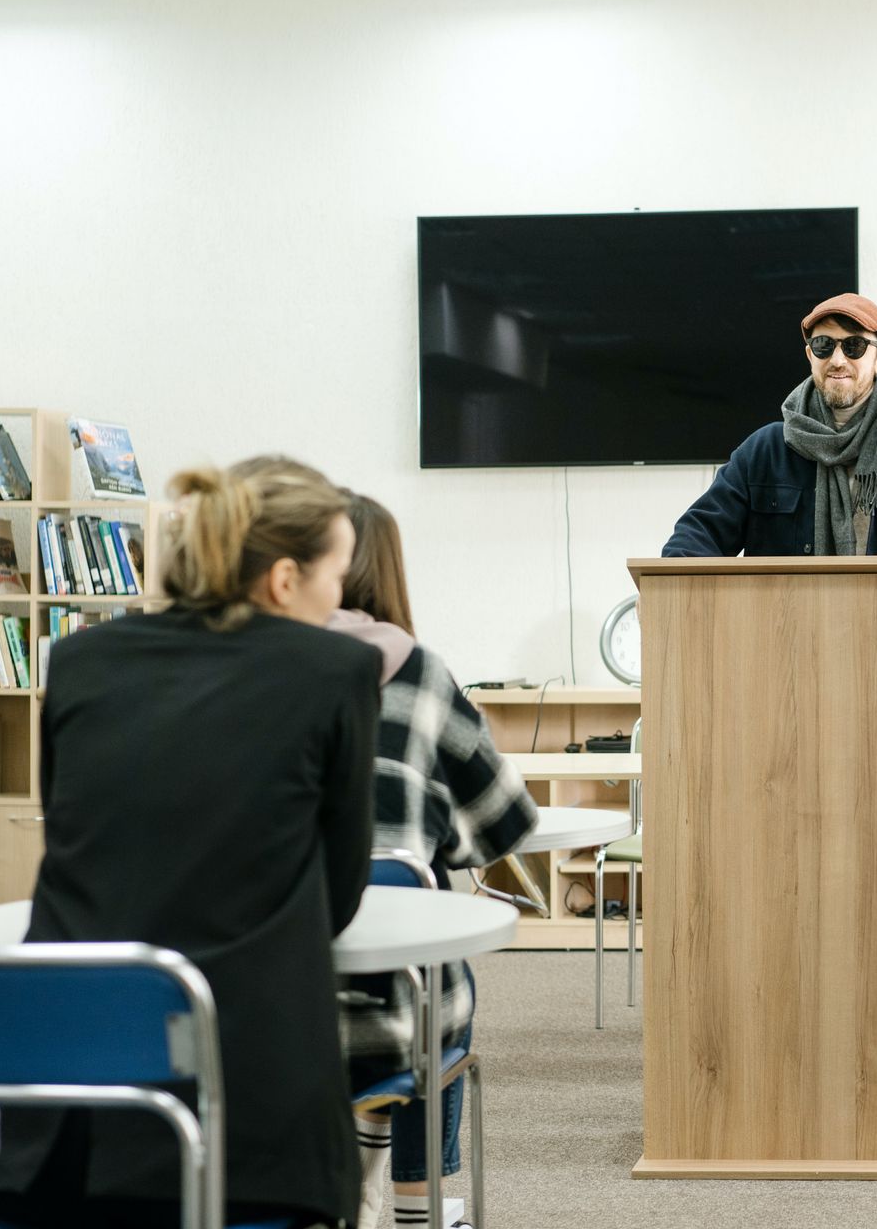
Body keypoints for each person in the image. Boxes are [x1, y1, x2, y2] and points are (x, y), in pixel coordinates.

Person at [0, 458, 382, 1229]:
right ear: (285, 580)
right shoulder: (336, 671)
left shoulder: (80, 658)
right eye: (337, 577)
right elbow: (338, 892)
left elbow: (69, 831)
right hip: (244, 1129)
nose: (341, 600)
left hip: (60, 1115)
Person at [325, 492, 540, 1229]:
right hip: (393, 1003)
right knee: (438, 976)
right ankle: (417, 1204)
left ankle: (354, 1166)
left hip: (263, 991)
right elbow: (503, 821)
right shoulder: (418, 671)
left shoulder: (258, 670)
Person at [663, 292, 877, 624]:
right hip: (785, 640)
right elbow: (700, 532)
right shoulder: (764, 450)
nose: (837, 359)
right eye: (824, 345)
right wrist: (665, 587)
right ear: (810, 355)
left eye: (854, 346)